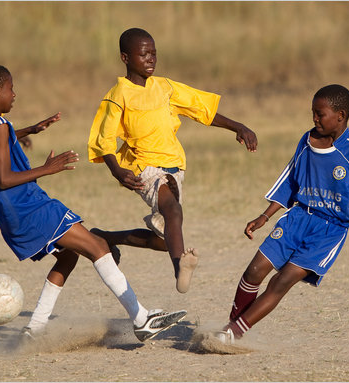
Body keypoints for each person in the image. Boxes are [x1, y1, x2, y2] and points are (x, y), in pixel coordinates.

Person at [0, 63, 187, 342]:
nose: (14, 94)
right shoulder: (0, 127)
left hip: (13, 211)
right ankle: (141, 318)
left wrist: (30, 131)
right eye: (10, 88)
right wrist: (48, 169)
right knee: (96, 246)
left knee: (69, 254)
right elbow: (3, 178)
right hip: (29, 206)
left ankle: (33, 329)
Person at [214, 84, 349, 344]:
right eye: (313, 112)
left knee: (281, 281)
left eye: (319, 114)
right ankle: (231, 328)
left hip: (329, 231)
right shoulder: (307, 140)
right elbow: (289, 179)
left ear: (341, 116)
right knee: (253, 271)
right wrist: (264, 217)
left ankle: (232, 334)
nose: (314, 118)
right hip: (297, 218)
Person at [87, 27, 258, 294]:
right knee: (173, 212)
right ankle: (180, 269)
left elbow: (201, 109)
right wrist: (116, 170)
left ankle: (105, 237)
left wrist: (238, 126)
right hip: (144, 168)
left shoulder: (164, 87)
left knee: (165, 240)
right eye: (144, 54)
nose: (151, 59)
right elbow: (104, 138)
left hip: (175, 167)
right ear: (125, 57)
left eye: (154, 53)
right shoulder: (118, 95)